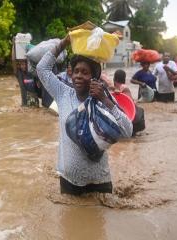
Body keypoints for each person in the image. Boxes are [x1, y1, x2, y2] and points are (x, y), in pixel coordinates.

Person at [36, 35, 133, 196]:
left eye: (85, 72)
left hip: (100, 182)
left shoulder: (103, 98)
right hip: (69, 182)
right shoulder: (63, 93)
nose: (78, 76)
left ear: (94, 77)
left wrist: (104, 99)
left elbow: (128, 130)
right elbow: (42, 68)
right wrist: (66, 42)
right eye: (75, 71)